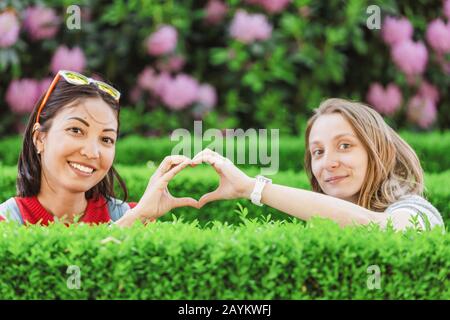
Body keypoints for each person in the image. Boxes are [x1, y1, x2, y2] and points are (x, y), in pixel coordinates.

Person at [189, 98, 445, 231]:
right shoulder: (321, 226)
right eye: (318, 152)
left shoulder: (417, 211)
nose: (328, 163)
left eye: (345, 145)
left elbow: (385, 229)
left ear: (380, 151)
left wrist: (252, 188)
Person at [0, 70, 197, 227]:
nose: (92, 152)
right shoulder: (7, 221)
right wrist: (130, 223)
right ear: (39, 138)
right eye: (76, 130)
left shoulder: (133, 216)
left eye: (106, 139)